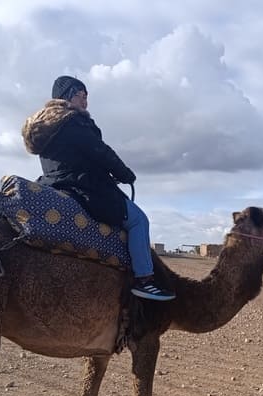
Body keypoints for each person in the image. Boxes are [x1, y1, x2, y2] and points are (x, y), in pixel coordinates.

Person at [22, 75, 175, 301]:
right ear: (66, 97)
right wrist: (125, 174)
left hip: (53, 186)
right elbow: (100, 151)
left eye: (86, 97)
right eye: (80, 96)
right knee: (138, 220)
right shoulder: (73, 122)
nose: (85, 102)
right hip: (84, 188)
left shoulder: (46, 130)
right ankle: (145, 280)